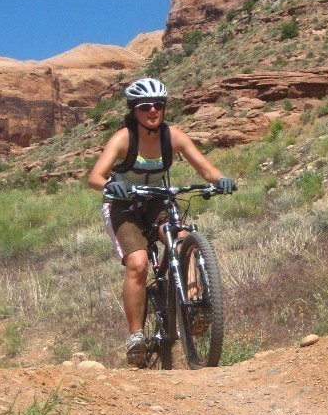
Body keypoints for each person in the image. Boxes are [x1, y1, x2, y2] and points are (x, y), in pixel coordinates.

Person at [88, 77, 236, 365]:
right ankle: (135, 336)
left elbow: (206, 170)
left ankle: (197, 311)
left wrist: (222, 180)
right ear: (134, 111)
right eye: (145, 106)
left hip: (157, 199)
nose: (153, 111)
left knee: (183, 241)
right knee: (139, 263)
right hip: (123, 204)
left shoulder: (174, 136)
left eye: (158, 105)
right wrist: (109, 185)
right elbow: (94, 177)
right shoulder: (123, 139)